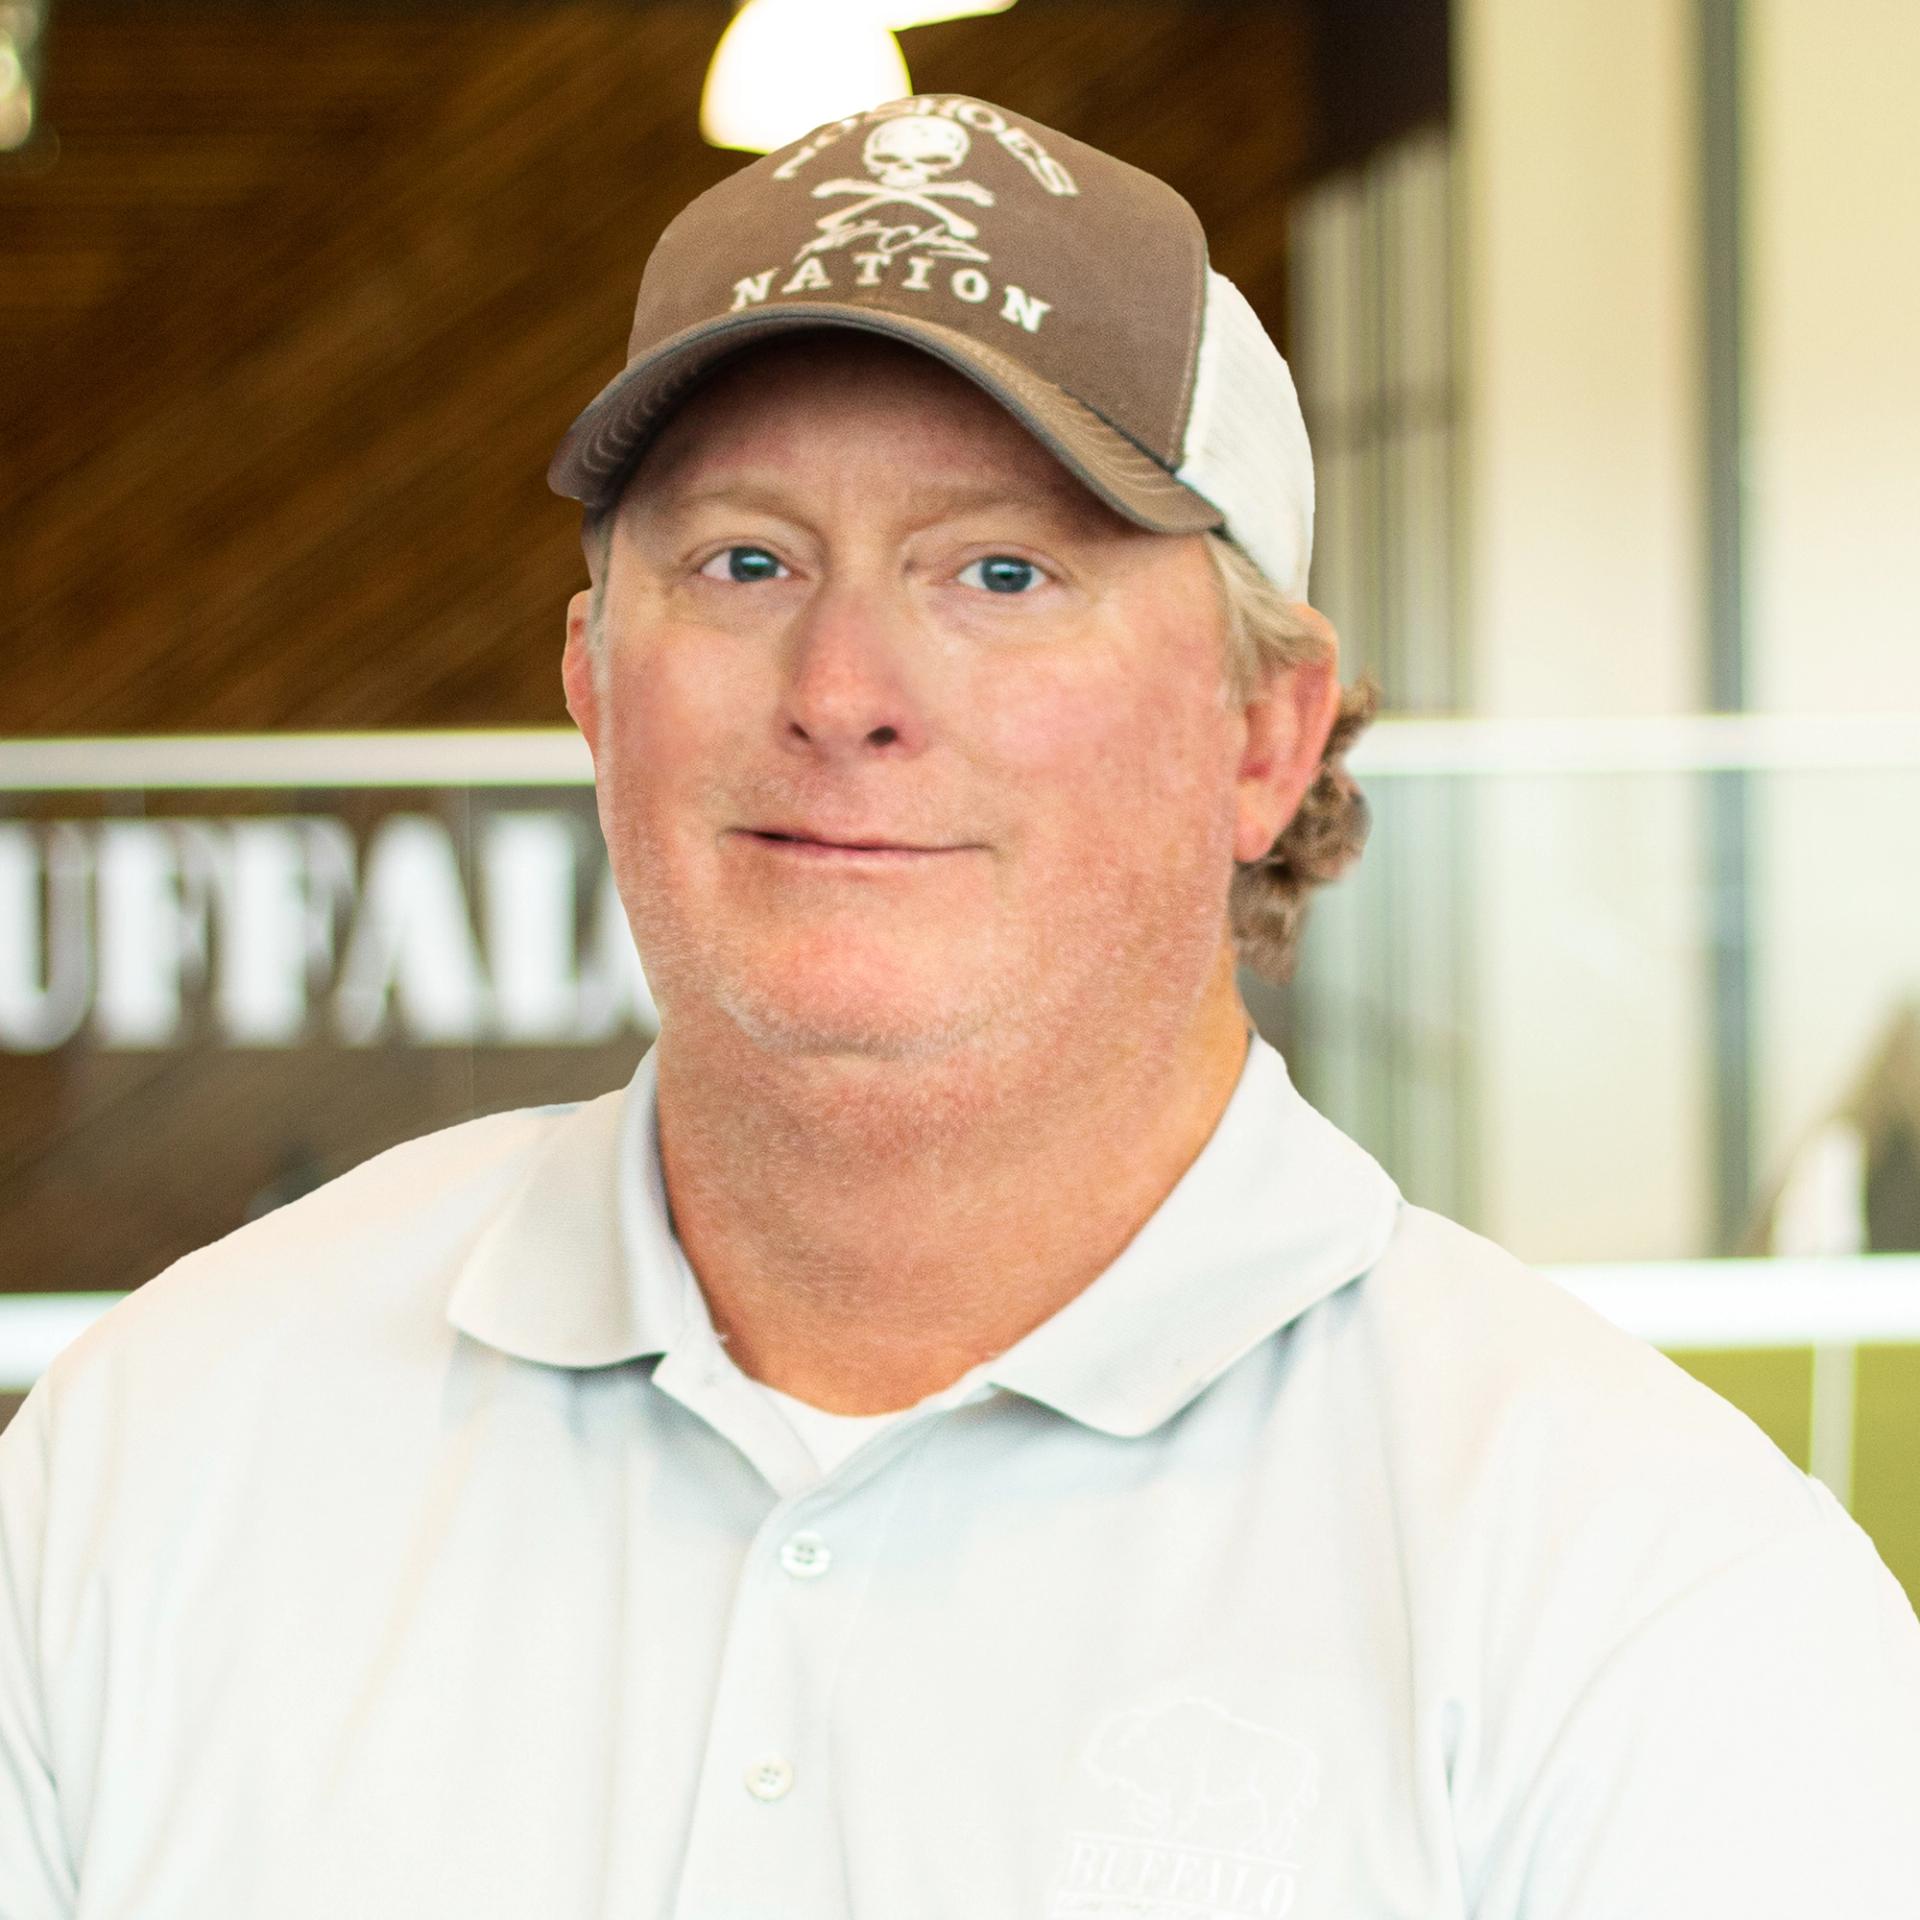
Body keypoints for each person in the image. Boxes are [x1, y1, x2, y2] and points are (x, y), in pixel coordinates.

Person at [2, 94, 1917, 1920]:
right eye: (745, 560)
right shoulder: (148, 1465)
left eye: (1001, 571)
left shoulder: (1649, 1604)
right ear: (594, 688)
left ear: (1265, 734)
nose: (845, 686)